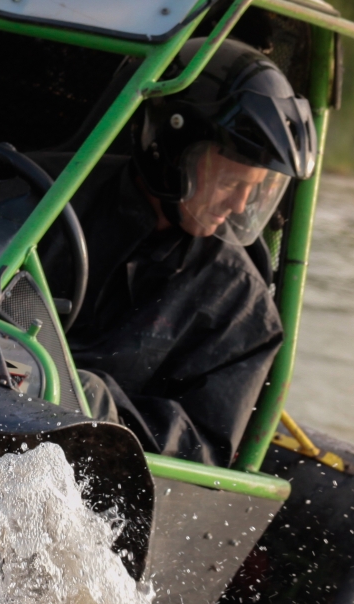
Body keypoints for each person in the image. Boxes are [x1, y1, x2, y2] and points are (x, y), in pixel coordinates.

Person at [63, 39, 318, 467]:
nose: (240, 206)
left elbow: (205, 449)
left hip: (95, 472)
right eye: (229, 182)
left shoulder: (241, 306)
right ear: (169, 148)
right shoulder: (42, 201)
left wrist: (101, 411)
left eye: (255, 190)